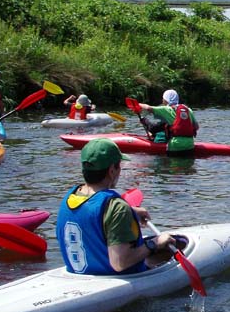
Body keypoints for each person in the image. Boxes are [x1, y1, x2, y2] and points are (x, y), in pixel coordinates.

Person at [56, 139, 173, 275]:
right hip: (113, 280)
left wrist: (131, 212)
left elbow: (90, 213)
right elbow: (120, 263)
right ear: (112, 170)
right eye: (119, 166)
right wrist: (155, 243)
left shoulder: (70, 197)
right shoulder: (117, 208)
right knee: (161, 250)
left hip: (77, 275)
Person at [136, 89, 198, 155]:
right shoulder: (188, 109)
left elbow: (148, 108)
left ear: (166, 100)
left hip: (175, 146)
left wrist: (137, 104)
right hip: (190, 145)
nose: (162, 100)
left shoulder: (166, 109)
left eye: (163, 99)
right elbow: (196, 127)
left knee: (173, 164)